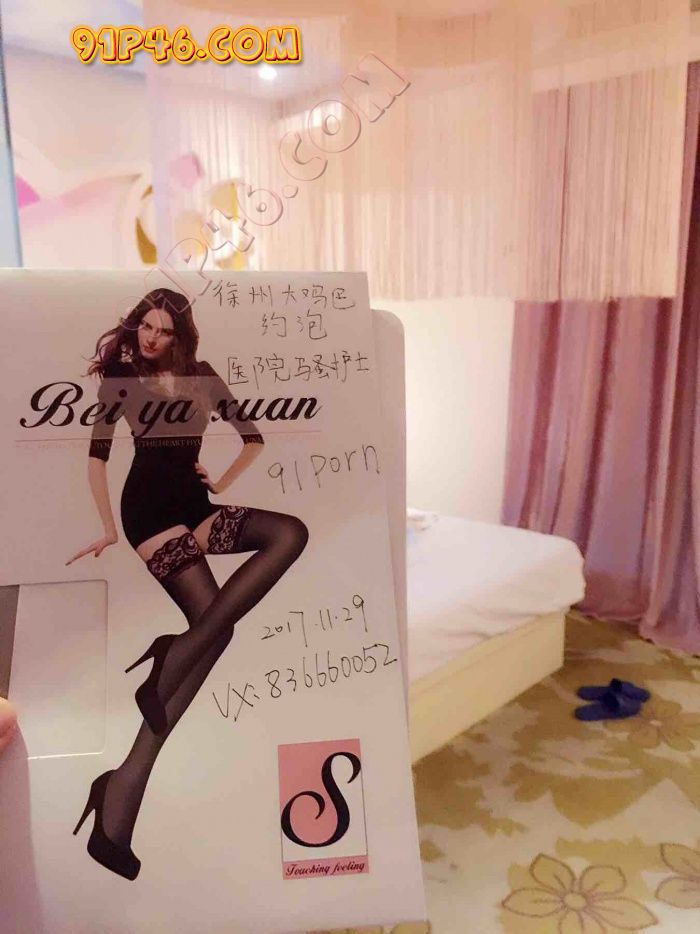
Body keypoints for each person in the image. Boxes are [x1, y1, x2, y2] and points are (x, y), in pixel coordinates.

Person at [67, 288, 308, 881]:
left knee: (289, 534)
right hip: (149, 514)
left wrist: (220, 482)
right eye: (145, 327)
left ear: (180, 336)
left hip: (195, 509)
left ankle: (121, 783)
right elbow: (97, 457)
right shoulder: (122, 379)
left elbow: (253, 436)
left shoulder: (202, 376)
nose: (151, 338)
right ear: (136, 329)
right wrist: (107, 527)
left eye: (163, 331)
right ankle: (124, 791)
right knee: (215, 633)